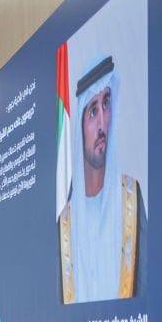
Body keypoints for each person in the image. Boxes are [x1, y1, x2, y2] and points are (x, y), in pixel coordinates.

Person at [61, 54, 144, 304]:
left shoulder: (131, 198)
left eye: (106, 104)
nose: (101, 125)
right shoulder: (65, 222)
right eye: (93, 111)